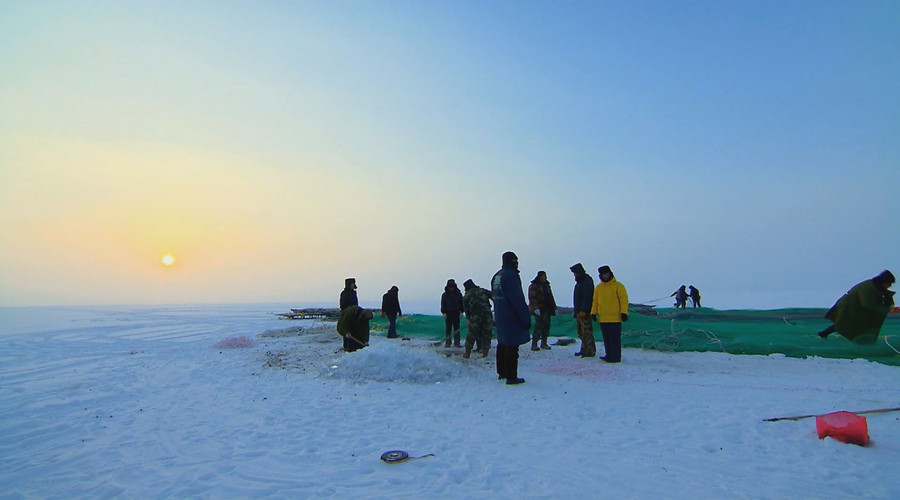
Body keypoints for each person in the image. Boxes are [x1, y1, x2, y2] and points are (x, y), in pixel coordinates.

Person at [817, 270, 895, 344]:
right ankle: (823, 334)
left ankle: (824, 334)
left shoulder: (876, 287)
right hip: (850, 307)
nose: (890, 285)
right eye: (889, 283)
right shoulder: (869, 288)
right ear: (883, 281)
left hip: (856, 308)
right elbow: (867, 304)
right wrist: (887, 310)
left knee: (846, 324)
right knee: (844, 323)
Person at [491, 251, 531, 385]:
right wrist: (525, 318)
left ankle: (502, 372)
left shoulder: (497, 276)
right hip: (511, 316)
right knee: (512, 346)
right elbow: (517, 299)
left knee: (502, 344)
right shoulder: (511, 275)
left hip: (500, 316)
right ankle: (511, 376)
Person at [591, 265, 629, 363]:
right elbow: (595, 301)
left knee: (614, 339)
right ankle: (609, 355)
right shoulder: (598, 288)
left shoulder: (618, 286)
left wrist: (624, 312)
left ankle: (616, 357)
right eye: (603, 274)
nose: (604, 276)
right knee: (606, 339)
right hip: (603, 318)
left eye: (606, 274)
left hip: (615, 318)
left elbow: (623, 300)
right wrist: (593, 313)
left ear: (610, 273)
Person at [462, 279, 494, 358]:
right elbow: (493, 296)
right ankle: (485, 353)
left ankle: (467, 353)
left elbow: (466, 309)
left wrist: (468, 318)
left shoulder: (467, 295)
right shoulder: (482, 291)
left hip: (476, 316)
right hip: (488, 315)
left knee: (472, 334)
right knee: (487, 334)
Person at [570, 263, 596, 357]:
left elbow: (587, 297)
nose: (574, 275)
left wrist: (584, 310)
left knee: (587, 332)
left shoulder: (586, 281)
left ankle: (590, 350)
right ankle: (584, 349)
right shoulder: (580, 282)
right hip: (579, 311)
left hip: (585, 312)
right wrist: (576, 311)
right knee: (581, 332)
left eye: (575, 273)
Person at [528, 271, 558, 351]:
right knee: (538, 326)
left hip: (547, 309)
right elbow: (532, 298)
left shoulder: (547, 286)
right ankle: (534, 344)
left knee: (546, 326)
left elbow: (551, 297)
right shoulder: (534, 286)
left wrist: (554, 308)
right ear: (540, 276)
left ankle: (544, 343)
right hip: (539, 309)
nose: (545, 278)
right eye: (544, 276)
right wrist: (535, 308)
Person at [441, 279, 464, 348]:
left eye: (452, 286)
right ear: (447, 287)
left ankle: (457, 343)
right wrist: (444, 312)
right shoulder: (444, 295)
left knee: (457, 329)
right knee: (448, 329)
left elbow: (461, 304)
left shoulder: (459, 294)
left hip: (456, 313)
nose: (451, 288)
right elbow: (443, 304)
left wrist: (461, 311)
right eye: (450, 287)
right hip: (448, 314)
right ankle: (448, 343)